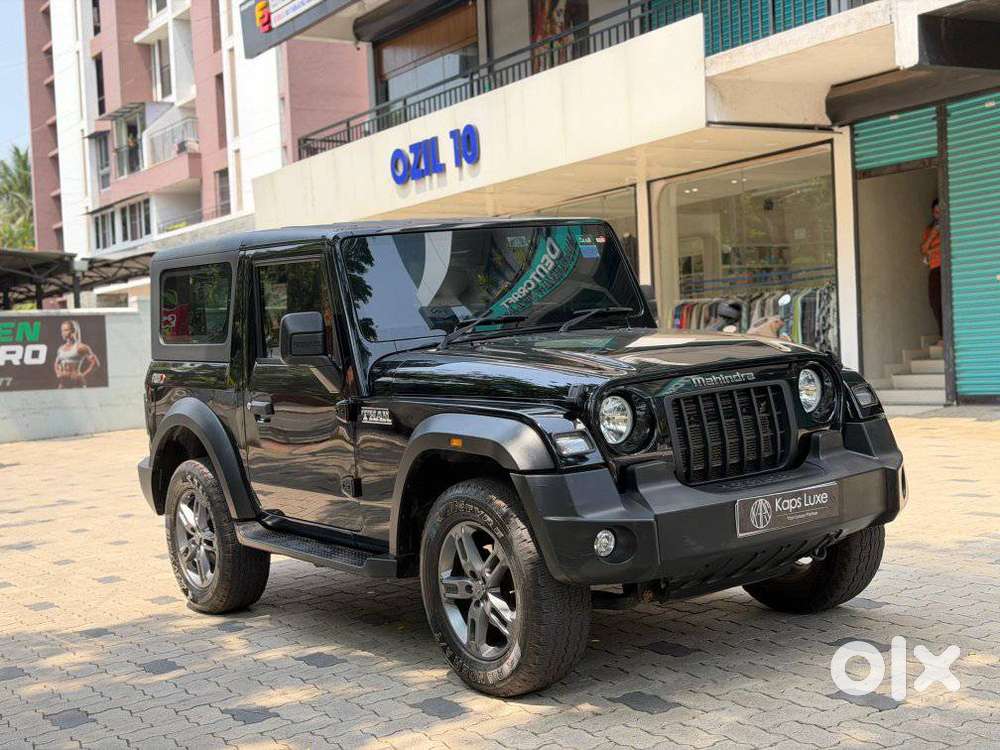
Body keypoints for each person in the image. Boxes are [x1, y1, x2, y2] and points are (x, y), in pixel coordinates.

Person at [920, 198, 943, 342]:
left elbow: (946, 246)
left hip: (947, 267)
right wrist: (934, 234)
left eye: (940, 211)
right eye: (936, 212)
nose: (938, 214)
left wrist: (930, 251)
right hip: (934, 268)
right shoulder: (929, 230)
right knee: (935, 301)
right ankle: (943, 335)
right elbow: (923, 249)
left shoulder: (950, 226)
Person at [54, 320, 101, 388]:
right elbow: (56, 363)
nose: (63, 333)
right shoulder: (60, 348)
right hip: (63, 384)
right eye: (62, 330)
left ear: (73, 331)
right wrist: (58, 373)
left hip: (77, 384)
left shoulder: (81, 347)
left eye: (66, 330)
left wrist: (82, 376)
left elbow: (96, 364)